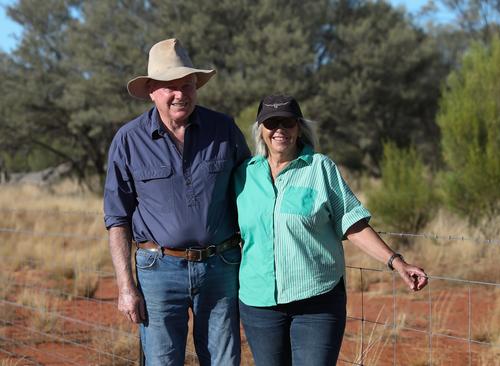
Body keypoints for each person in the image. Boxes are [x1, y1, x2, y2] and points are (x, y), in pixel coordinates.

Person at [234, 95, 428, 366]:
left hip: (317, 300)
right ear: (260, 130)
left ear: (299, 127)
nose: (280, 129)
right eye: (271, 122)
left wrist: (396, 262)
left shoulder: (320, 168)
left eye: (287, 122)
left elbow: (353, 224)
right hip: (259, 303)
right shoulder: (244, 174)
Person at [103, 38, 250, 365]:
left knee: (224, 360)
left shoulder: (224, 130)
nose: (180, 93)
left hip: (220, 264)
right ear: (152, 90)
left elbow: (251, 192)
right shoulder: (129, 140)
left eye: (187, 84)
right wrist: (126, 286)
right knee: (162, 360)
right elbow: (117, 218)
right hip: (158, 269)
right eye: (170, 86)